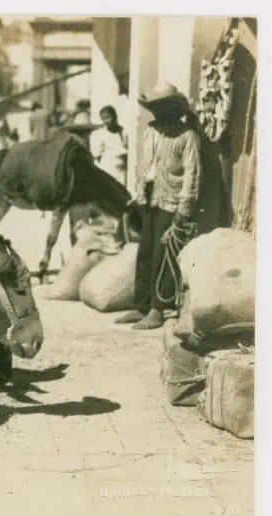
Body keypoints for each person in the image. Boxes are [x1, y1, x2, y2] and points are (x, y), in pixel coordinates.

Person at [115, 82, 201, 330]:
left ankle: (157, 308)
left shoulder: (187, 137)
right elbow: (145, 165)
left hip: (172, 204)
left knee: (162, 257)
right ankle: (140, 304)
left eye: (163, 107)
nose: (158, 112)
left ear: (174, 108)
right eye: (154, 108)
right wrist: (139, 191)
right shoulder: (151, 132)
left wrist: (183, 213)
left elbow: (192, 176)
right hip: (150, 200)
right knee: (145, 252)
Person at [89, 105, 129, 185]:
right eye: (103, 118)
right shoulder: (99, 134)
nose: (106, 121)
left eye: (108, 117)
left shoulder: (124, 132)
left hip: (121, 173)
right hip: (107, 171)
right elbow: (96, 155)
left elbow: (127, 150)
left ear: (115, 117)